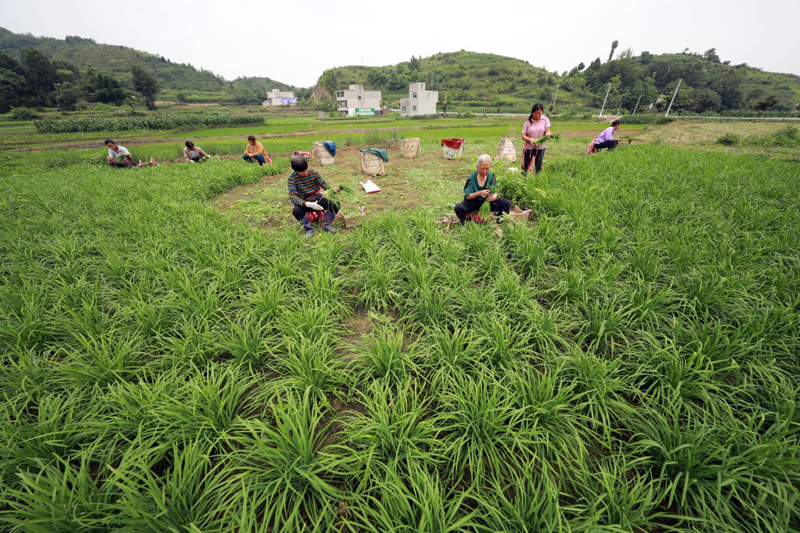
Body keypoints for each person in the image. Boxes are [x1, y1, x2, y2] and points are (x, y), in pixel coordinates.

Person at [454, 154, 512, 235]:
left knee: (506, 203)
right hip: (473, 202)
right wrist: (479, 193)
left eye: (487, 168)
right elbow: (468, 196)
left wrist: (494, 196)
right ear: (477, 167)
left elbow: (495, 189)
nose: (485, 171)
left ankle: (498, 226)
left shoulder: (491, 176)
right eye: (482, 169)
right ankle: (465, 223)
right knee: (458, 207)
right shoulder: (472, 178)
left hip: (487, 202)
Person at [288, 155, 340, 235]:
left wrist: (333, 190)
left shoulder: (314, 173)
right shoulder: (292, 179)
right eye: (302, 172)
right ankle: (308, 228)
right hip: (305, 202)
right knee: (296, 211)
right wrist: (307, 204)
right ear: (296, 171)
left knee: (335, 205)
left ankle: (326, 223)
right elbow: (292, 197)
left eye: (306, 169)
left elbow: (324, 185)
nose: (305, 173)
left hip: (317, 199)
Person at [520, 103, 551, 175]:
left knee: (538, 165)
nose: (537, 115)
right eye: (535, 113)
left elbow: (547, 130)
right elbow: (523, 135)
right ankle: (523, 179)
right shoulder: (528, 123)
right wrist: (530, 140)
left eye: (539, 113)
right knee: (525, 165)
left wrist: (547, 135)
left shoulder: (545, 120)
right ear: (532, 112)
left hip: (540, 147)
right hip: (529, 147)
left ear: (542, 112)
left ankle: (537, 180)